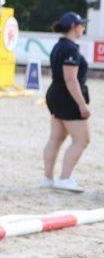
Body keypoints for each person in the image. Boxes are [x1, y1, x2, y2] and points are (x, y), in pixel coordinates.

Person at [41, 11, 91, 192]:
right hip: (67, 97)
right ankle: (65, 177)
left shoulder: (59, 45)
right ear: (73, 27)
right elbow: (71, 79)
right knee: (82, 140)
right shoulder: (70, 49)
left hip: (55, 94)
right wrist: (82, 105)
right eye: (81, 25)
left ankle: (47, 178)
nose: (83, 28)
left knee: (56, 138)